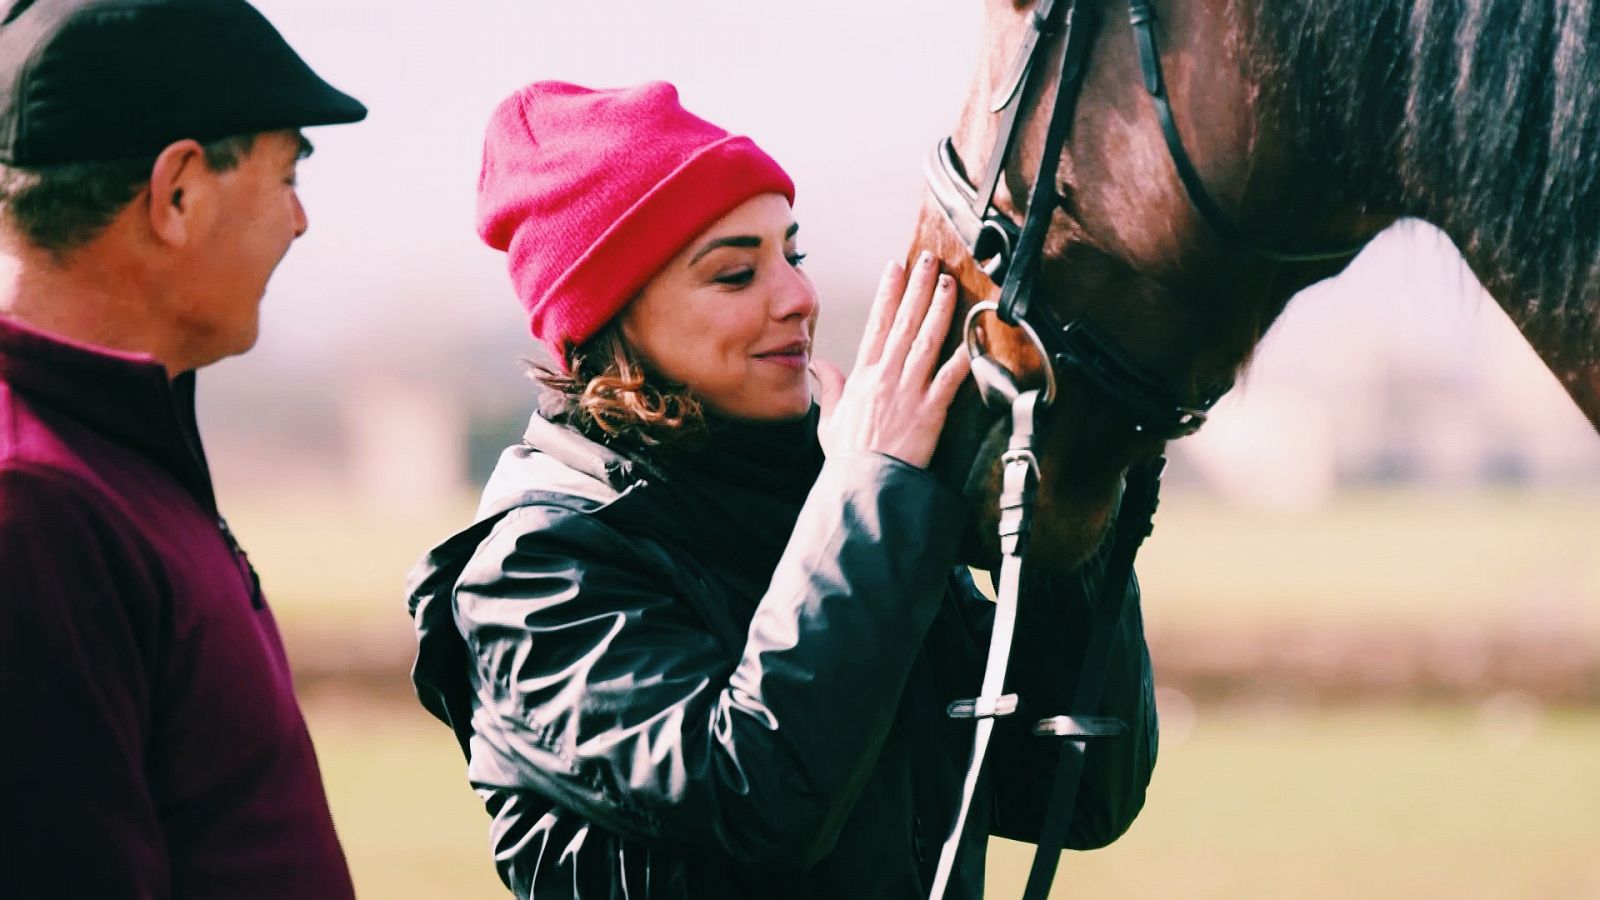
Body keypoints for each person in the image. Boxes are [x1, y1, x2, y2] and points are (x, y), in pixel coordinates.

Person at [407, 80, 1156, 899]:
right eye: (735, 274)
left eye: (791, 255)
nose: (799, 297)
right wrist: (870, 497)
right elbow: (755, 799)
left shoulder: (835, 500)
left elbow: (1077, 790)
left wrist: (1064, 493)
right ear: (610, 316)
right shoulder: (533, 574)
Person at [0, 1, 367, 896]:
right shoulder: (33, 505)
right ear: (179, 193)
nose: (300, 222)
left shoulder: (109, 454)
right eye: (287, 176)